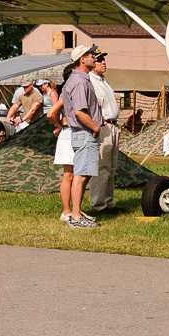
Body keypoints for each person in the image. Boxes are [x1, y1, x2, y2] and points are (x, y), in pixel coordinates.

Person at [60, 45, 103, 228]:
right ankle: (76, 218)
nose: (95, 57)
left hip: (83, 132)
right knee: (80, 175)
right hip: (85, 132)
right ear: (82, 60)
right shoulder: (79, 81)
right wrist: (95, 127)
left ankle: (77, 213)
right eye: (91, 55)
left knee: (83, 175)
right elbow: (79, 112)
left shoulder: (77, 80)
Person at [88, 53, 126, 214]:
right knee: (101, 167)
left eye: (104, 59)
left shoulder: (104, 80)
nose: (103, 62)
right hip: (102, 127)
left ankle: (108, 203)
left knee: (111, 168)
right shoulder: (90, 82)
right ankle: (98, 205)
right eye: (99, 60)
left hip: (113, 126)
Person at [47, 65, 84, 222]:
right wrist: (60, 125)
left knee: (73, 174)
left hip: (71, 133)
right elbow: (51, 113)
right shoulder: (68, 92)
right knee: (70, 175)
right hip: (69, 133)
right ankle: (67, 211)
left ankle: (72, 211)